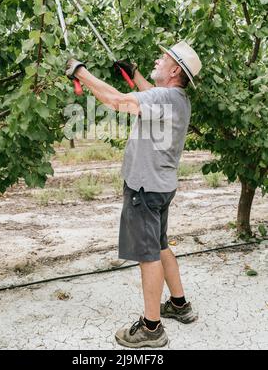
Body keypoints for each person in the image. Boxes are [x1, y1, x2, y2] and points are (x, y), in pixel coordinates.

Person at [66, 41, 202, 349]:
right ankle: (180, 305)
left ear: (175, 70)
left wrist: (80, 72)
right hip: (162, 187)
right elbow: (151, 97)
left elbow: (115, 100)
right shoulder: (178, 99)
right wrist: (136, 74)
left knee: (148, 255)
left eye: (163, 59)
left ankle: (151, 328)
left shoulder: (163, 97)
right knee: (161, 244)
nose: (157, 59)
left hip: (145, 188)